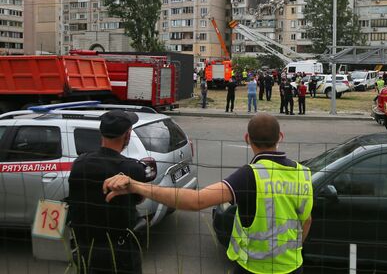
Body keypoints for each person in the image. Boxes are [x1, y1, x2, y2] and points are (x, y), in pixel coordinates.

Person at [103, 114, 313, 274]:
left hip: (254, 269)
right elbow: (306, 221)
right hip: (293, 267)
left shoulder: (250, 176)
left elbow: (197, 200)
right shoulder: (302, 173)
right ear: (281, 137)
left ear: (247, 138)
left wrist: (136, 186)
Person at [68, 110, 147, 274]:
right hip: (120, 252)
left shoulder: (79, 163)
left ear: (101, 133)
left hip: (87, 249)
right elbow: (140, 199)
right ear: (127, 135)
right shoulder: (133, 168)